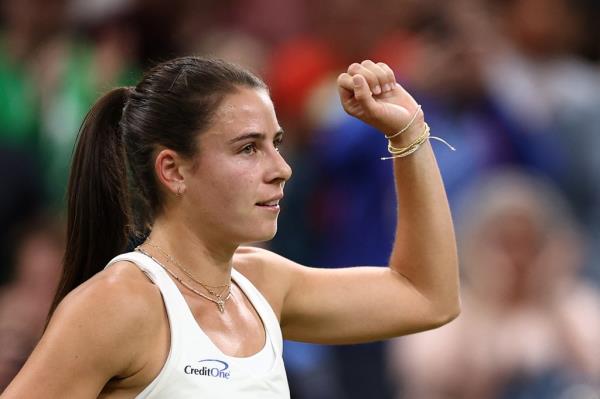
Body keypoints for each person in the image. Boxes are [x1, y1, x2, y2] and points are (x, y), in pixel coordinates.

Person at [1, 56, 460, 398]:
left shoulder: (261, 282)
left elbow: (428, 297)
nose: (282, 168)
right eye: (248, 148)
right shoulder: (120, 303)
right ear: (174, 171)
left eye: (276, 143)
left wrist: (408, 133)